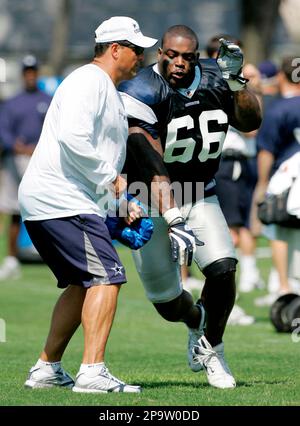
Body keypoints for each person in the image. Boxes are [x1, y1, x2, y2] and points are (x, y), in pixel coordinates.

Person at [18, 16, 157, 393]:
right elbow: (73, 139)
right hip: (61, 198)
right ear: (115, 49)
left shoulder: (104, 87)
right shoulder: (89, 81)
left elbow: (94, 153)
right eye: (136, 49)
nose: (142, 56)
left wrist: (119, 202)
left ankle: (46, 369)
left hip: (58, 200)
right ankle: (92, 372)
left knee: (82, 282)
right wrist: (111, 181)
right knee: (106, 277)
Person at [119, 26, 261, 388]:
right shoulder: (141, 89)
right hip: (148, 196)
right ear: (160, 53)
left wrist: (237, 83)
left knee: (224, 267)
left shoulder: (216, 77)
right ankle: (196, 319)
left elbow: (251, 121)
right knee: (167, 303)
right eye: (172, 55)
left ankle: (212, 347)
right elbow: (151, 162)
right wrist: (174, 219)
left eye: (188, 57)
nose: (179, 63)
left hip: (200, 191)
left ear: (197, 56)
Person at [0, 55, 52, 279]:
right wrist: (16, 146)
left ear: (37, 73)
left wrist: (38, 148)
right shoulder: (13, 102)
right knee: (13, 209)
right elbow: (3, 131)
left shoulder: (47, 99)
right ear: (23, 74)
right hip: (16, 159)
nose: (30, 75)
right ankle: (11, 259)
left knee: (48, 209)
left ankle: (54, 257)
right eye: (27, 72)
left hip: (42, 159)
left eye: (33, 71)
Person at [254, 55, 300, 305]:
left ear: (282, 76)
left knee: (277, 230)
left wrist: (262, 184)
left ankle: (283, 287)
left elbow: (266, 151)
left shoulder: (279, 109)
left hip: (287, 176)